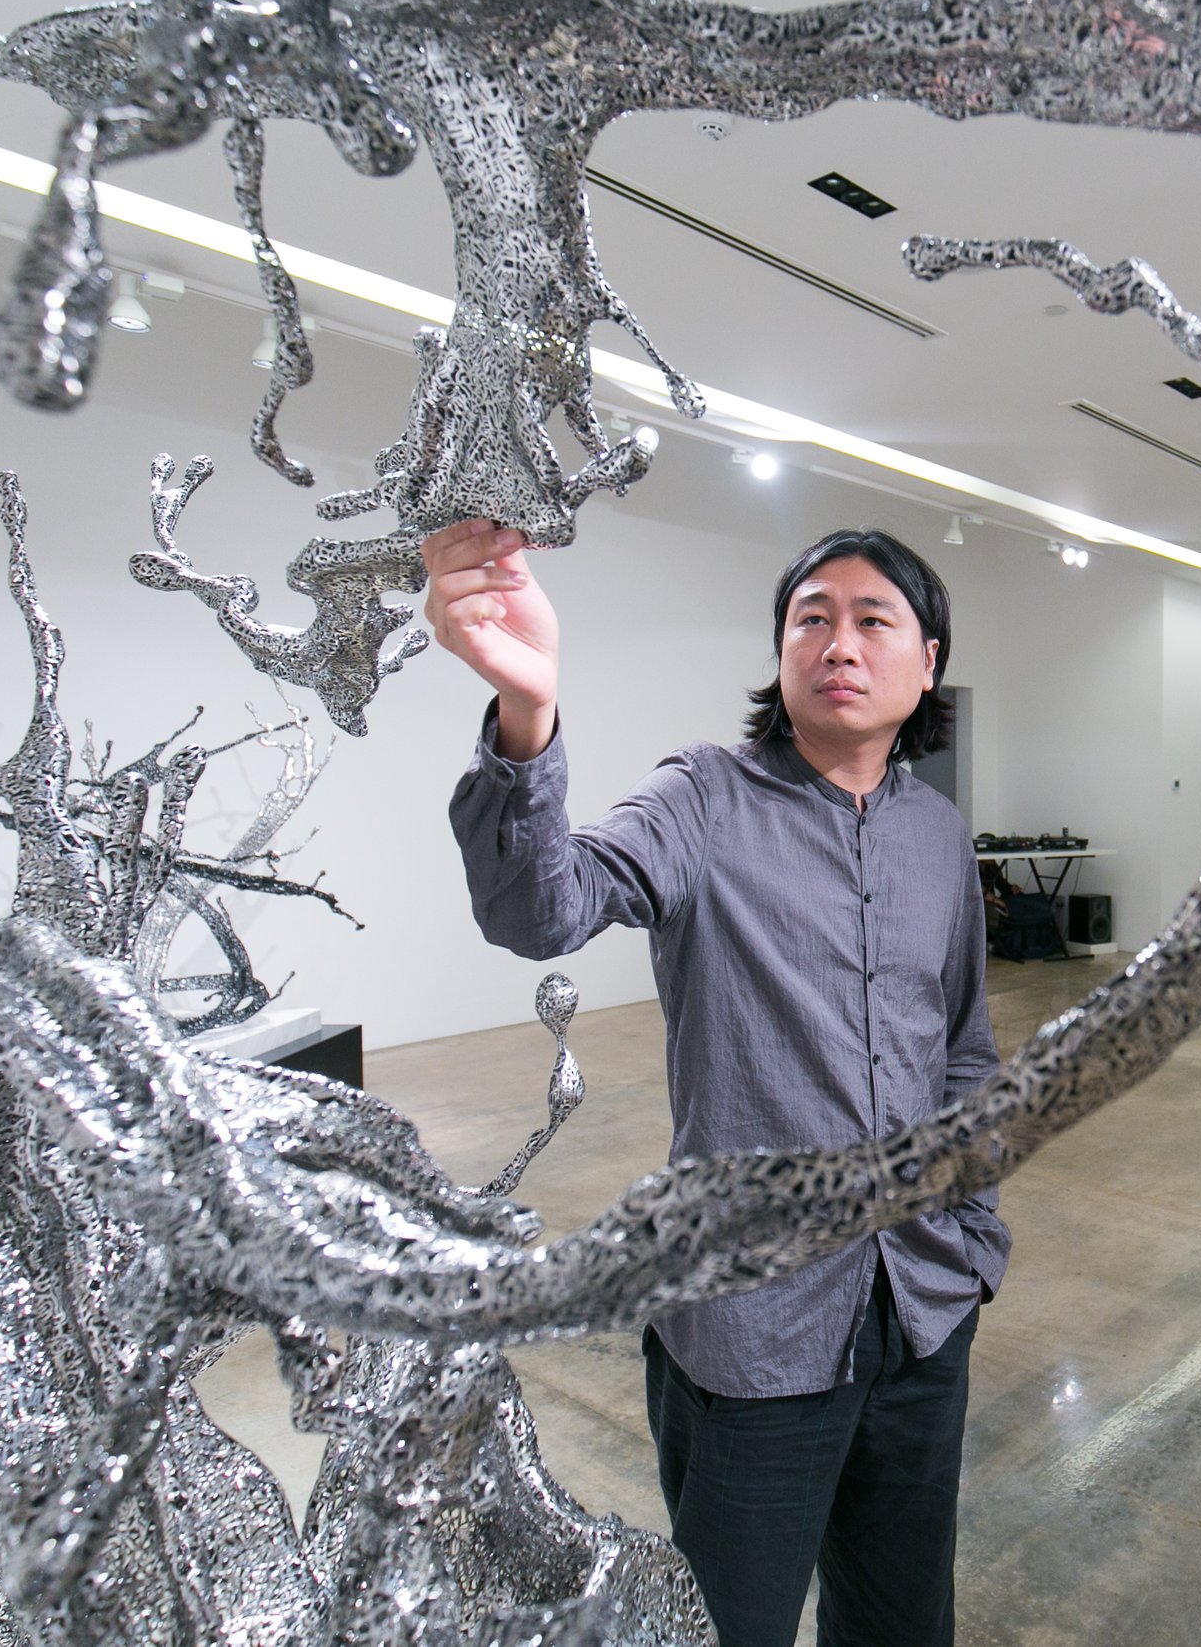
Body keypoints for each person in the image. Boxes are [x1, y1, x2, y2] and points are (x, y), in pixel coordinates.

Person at [423, 517, 1006, 1647]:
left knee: (901, 1620)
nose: (839, 640)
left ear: (925, 661)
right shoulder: (704, 797)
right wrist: (526, 713)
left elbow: (964, 1046)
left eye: (873, 618)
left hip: (922, 1314)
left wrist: (971, 1234)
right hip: (753, 1332)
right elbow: (539, 906)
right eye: (811, 618)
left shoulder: (938, 835)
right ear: (782, 651)